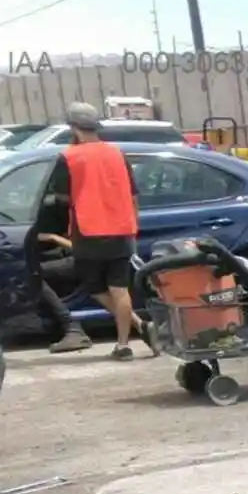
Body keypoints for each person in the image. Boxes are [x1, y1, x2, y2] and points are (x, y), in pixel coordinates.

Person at [51, 102, 143, 360]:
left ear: (73, 128)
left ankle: (137, 325)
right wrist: (133, 224)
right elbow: (134, 194)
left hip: (88, 230)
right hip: (122, 229)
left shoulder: (68, 157)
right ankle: (124, 343)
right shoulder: (116, 153)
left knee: (93, 286)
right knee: (119, 287)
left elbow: (61, 199)